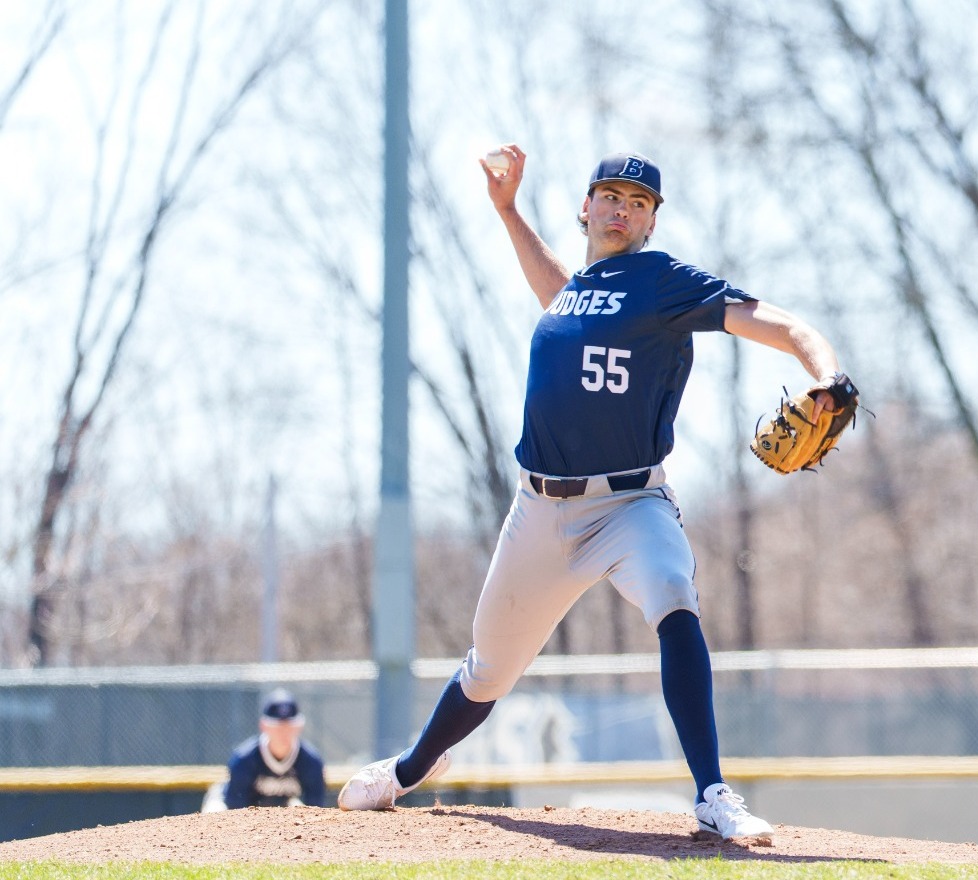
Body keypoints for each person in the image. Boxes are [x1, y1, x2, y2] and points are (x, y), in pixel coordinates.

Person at [337, 147, 854, 843]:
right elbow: (560, 292)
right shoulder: (581, 288)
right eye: (610, 196)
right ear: (586, 206)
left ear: (650, 220)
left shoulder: (662, 281)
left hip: (628, 504)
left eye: (638, 202)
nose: (622, 209)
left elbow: (784, 324)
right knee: (487, 670)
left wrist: (829, 376)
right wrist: (506, 210)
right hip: (539, 511)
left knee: (672, 592)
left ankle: (711, 792)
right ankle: (408, 767)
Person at [221, 688, 327, 809]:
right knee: (213, 810)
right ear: (263, 726)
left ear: (299, 727)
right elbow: (233, 806)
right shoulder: (244, 759)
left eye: (290, 726)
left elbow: (316, 806)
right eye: (277, 727)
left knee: (299, 807)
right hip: (232, 806)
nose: (284, 732)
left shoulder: (311, 761)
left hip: (286, 810)